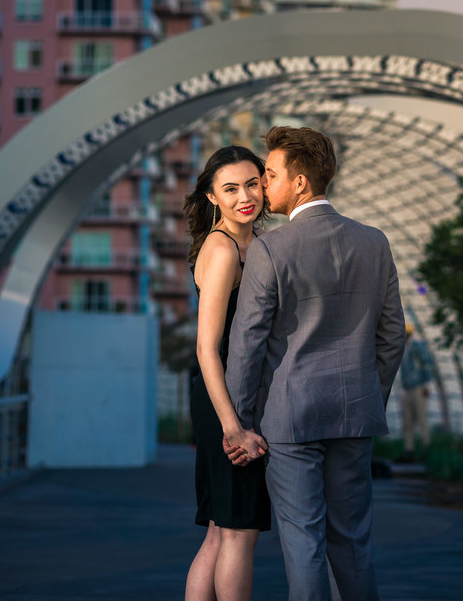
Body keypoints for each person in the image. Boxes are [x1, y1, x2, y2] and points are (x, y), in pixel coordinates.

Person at [225, 126, 406, 601]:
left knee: (304, 543)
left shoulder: (271, 249)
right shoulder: (374, 242)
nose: (262, 186)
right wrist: (369, 395)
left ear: (299, 183)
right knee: (353, 544)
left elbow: (247, 345)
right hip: (354, 415)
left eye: (269, 175)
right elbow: (391, 337)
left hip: (290, 419)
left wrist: (240, 425)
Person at [183, 145, 272, 601]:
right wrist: (232, 426)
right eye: (231, 188)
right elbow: (206, 347)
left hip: (236, 396)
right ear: (212, 196)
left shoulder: (253, 242)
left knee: (222, 531)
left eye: (253, 183)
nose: (245, 196)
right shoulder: (222, 249)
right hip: (225, 400)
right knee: (238, 531)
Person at [397, 324, 433, 462]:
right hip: (407, 388)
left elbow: (426, 363)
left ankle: (425, 448)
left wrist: (425, 384)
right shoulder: (404, 348)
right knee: (408, 421)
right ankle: (409, 450)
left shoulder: (416, 346)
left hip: (418, 387)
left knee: (421, 419)